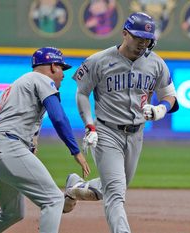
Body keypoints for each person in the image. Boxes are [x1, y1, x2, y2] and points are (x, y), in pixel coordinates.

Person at [63, 12, 179, 233]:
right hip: (107, 131)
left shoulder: (156, 63)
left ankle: (75, 188)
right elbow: (81, 93)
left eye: (147, 40)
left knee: (115, 186)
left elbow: (170, 97)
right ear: (125, 33)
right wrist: (90, 125)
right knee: (116, 193)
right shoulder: (98, 60)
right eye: (138, 38)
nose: (143, 44)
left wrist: (160, 109)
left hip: (137, 134)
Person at [0, 47, 91, 233]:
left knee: (11, 212)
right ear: (53, 66)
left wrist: (31, 140)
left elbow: (16, 117)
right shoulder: (42, 79)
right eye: (62, 68)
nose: (63, 74)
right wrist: (75, 151)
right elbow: (59, 117)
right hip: (7, 146)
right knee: (53, 200)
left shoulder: (18, 84)